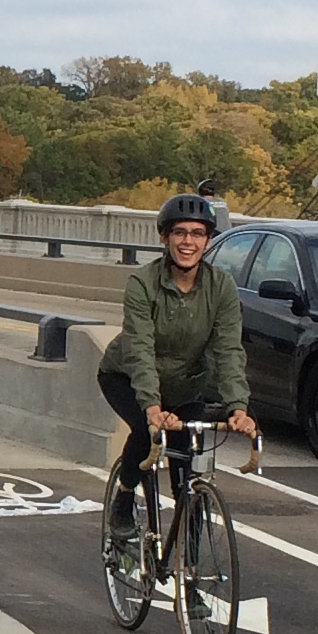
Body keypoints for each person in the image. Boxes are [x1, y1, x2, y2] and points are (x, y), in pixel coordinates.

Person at [97, 190, 258, 511]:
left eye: (198, 233)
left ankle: (186, 549)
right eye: (180, 232)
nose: (188, 242)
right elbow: (139, 347)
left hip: (185, 385)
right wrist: (152, 407)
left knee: (187, 459)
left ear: (209, 241)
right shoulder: (142, 283)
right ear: (164, 237)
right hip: (126, 377)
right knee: (146, 434)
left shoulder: (221, 286)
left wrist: (238, 406)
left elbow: (228, 349)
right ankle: (124, 497)